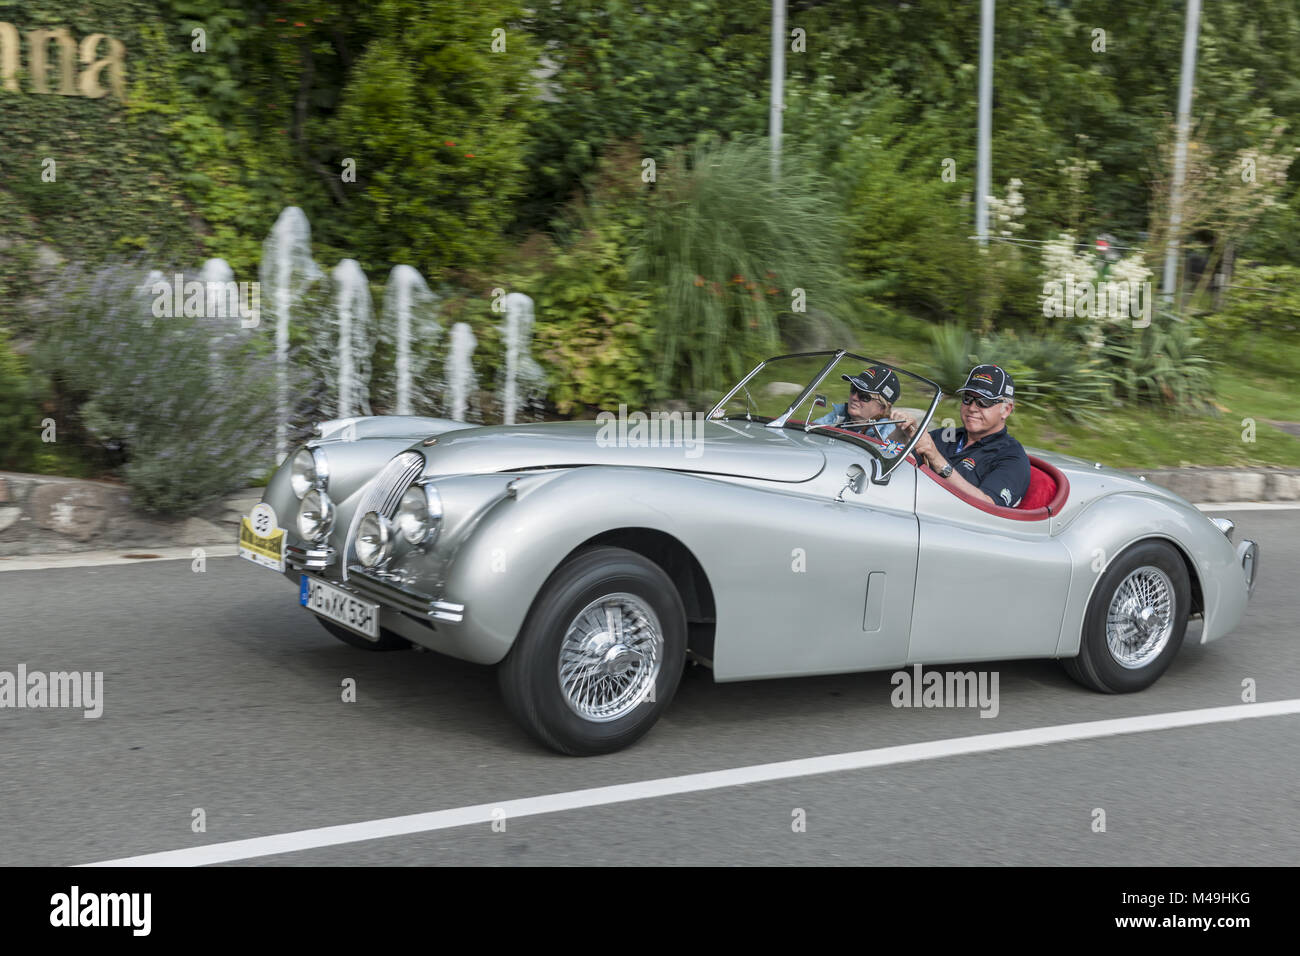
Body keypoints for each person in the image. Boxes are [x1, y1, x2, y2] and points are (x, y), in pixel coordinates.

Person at [899, 364, 1030, 508]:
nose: (972, 408)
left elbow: (989, 507)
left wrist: (938, 461)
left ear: (1006, 409)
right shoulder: (946, 435)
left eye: (984, 402)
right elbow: (903, 463)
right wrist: (902, 432)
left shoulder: (1012, 457)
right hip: (911, 502)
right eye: (967, 398)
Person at [812, 365, 903, 441]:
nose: (854, 397)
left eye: (864, 396)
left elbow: (889, 455)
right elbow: (810, 432)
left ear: (883, 408)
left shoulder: (890, 431)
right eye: (853, 389)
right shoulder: (840, 415)